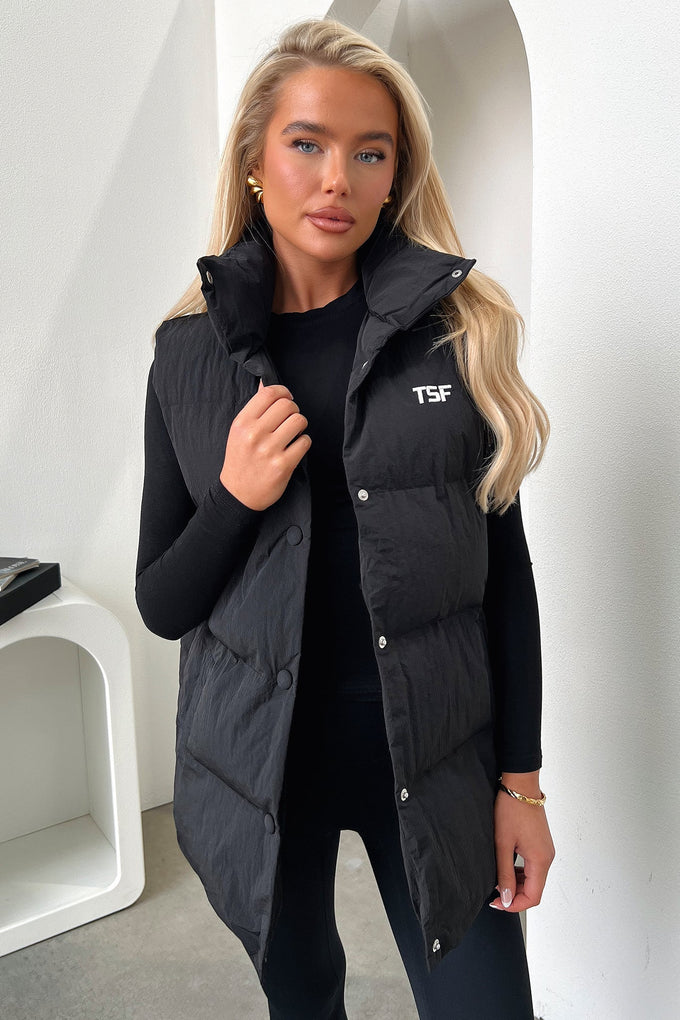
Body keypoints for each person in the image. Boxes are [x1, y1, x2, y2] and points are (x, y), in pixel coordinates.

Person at [135, 17, 555, 1020]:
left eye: (371, 153)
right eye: (307, 143)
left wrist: (521, 785)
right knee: (305, 997)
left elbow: (504, 578)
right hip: (260, 766)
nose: (338, 179)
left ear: (395, 175)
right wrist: (235, 497)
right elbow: (163, 601)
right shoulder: (187, 356)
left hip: (433, 757)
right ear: (254, 161)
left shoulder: (456, 334)